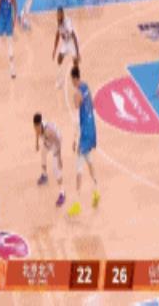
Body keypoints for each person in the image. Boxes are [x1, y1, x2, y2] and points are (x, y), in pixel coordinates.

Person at [67, 67, 99, 216]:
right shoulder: (87, 87)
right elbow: (91, 106)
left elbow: (76, 118)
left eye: (71, 80)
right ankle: (96, 190)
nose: (71, 83)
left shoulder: (77, 94)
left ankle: (77, 203)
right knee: (89, 160)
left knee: (79, 167)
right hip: (92, 127)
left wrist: (75, 138)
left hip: (84, 131)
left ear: (74, 78)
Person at [33, 113, 66, 207]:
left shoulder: (49, 130)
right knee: (43, 153)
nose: (36, 130)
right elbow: (37, 133)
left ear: (40, 125)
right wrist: (37, 143)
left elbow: (58, 141)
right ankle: (44, 176)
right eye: (35, 127)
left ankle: (62, 193)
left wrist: (59, 158)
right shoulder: (37, 127)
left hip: (56, 143)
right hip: (48, 141)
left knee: (56, 169)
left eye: (37, 128)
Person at [52, 6, 80, 89]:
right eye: (57, 14)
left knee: (75, 61)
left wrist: (77, 53)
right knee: (59, 58)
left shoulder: (67, 23)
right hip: (66, 42)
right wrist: (54, 49)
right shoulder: (58, 22)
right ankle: (60, 80)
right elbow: (57, 35)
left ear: (62, 14)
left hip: (72, 41)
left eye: (60, 14)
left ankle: (76, 81)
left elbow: (74, 36)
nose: (58, 16)